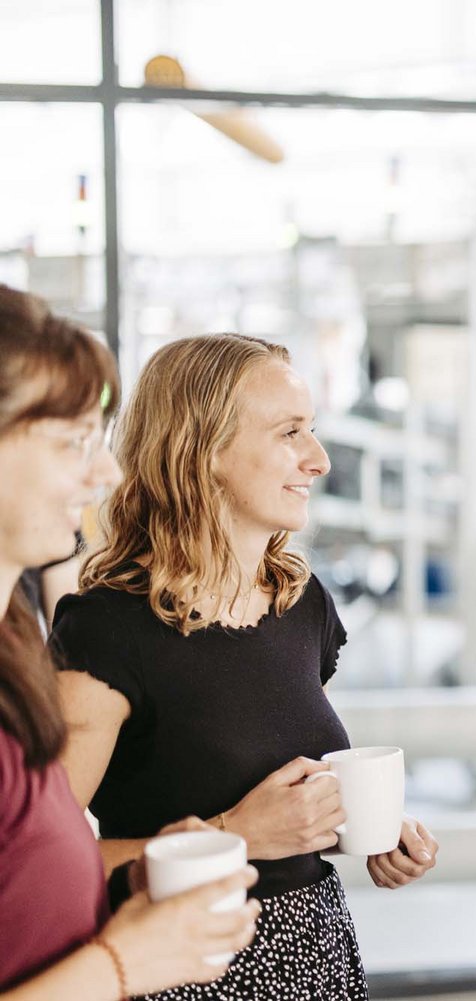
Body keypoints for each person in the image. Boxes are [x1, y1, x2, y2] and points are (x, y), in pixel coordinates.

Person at [50, 333, 439, 1001]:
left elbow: (278, 773)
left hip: (320, 958)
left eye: (311, 431)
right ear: (202, 451)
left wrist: (365, 828)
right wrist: (236, 834)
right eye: (290, 432)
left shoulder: (301, 603)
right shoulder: (109, 629)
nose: (317, 460)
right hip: (185, 972)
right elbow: (42, 867)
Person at [0, 285, 260, 998]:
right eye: (71, 440)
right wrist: (128, 962)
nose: (106, 471)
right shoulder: (99, 626)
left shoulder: (17, 644)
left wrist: (134, 871)